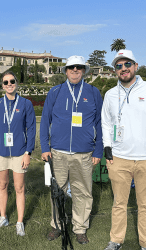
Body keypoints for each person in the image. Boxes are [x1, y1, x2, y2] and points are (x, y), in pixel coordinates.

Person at [101, 50, 146, 250]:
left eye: (127, 64)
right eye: (119, 66)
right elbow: (106, 124)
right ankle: (116, 241)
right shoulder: (110, 94)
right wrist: (108, 149)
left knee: (145, 206)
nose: (123, 69)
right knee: (118, 204)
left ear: (136, 65)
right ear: (115, 70)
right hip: (119, 159)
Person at [40, 55, 103, 244]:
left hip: (84, 153)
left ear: (84, 70)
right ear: (66, 71)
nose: (75, 70)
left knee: (82, 192)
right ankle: (57, 225)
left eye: (79, 67)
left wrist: (98, 150)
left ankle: (80, 227)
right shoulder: (55, 92)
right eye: (71, 67)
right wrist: (45, 147)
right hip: (58, 152)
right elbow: (45, 121)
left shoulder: (93, 92)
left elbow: (100, 123)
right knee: (57, 191)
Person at [0, 71, 36, 236]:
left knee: (19, 187)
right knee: (2, 185)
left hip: (19, 152)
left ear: (16, 83)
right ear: (2, 85)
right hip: (0, 152)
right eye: (6, 82)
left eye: (12, 81)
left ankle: (20, 221)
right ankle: (3, 217)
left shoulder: (25, 103)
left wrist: (28, 152)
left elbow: (31, 129)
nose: (9, 84)